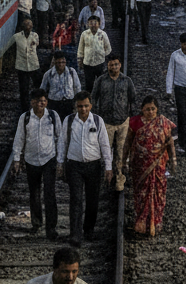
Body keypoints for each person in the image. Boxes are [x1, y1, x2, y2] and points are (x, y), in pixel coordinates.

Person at [57, 91, 113, 243]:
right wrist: (60, 163)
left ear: (91, 106)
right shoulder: (68, 121)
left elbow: (105, 145)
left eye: (86, 106)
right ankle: (75, 234)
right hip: (74, 165)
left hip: (93, 166)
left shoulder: (97, 121)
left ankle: (88, 230)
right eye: (80, 106)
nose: (83, 109)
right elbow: (62, 143)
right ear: (75, 106)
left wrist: (108, 167)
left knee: (92, 200)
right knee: (75, 199)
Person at [122, 96, 177, 237]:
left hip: (158, 166)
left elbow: (170, 142)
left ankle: (156, 223)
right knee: (141, 194)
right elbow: (128, 142)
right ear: (142, 109)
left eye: (153, 109)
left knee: (158, 193)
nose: (150, 112)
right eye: (147, 109)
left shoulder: (163, 123)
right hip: (140, 167)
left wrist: (173, 160)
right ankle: (141, 224)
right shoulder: (134, 122)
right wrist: (124, 161)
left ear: (157, 109)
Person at [11, 89, 61, 240]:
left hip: (49, 159)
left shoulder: (52, 116)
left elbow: (60, 137)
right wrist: (16, 159)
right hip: (31, 160)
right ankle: (36, 223)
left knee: (49, 194)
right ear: (32, 102)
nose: (42, 103)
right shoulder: (25, 118)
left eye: (44, 101)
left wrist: (60, 160)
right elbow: (19, 138)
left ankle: (51, 227)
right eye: (39, 101)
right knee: (34, 194)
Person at [91, 55, 138, 194]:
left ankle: (119, 181)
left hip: (123, 121)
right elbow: (94, 97)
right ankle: (105, 181)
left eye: (116, 65)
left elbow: (133, 98)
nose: (114, 67)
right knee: (104, 153)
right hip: (106, 122)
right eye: (111, 65)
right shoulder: (101, 81)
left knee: (121, 153)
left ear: (120, 65)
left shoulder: (127, 81)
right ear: (107, 66)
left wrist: (131, 119)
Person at [5, 17, 42, 112]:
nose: (28, 27)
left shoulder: (35, 35)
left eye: (29, 25)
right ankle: (25, 109)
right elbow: (9, 46)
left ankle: (39, 105)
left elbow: (36, 43)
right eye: (26, 25)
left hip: (33, 65)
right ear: (22, 27)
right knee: (24, 90)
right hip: (22, 67)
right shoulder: (16, 37)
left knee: (38, 86)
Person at [42, 53, 83, 123]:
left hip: (68, 103)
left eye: (63, 62)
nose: (61, 65)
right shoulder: (48, 74)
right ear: (55, 62)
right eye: (58, 63)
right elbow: (43, 90)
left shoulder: (71, 72)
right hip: (54, 103)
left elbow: (77, 87)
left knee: (68, 124)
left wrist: (78, 103)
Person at [76, 16, 112, 92]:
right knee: (89, 84)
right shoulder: (84, 34)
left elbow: (108, 48)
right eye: (91, 23)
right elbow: (80, 48)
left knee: (101, 83)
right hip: (88, 63)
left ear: (99, 24)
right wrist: (80, 59)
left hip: (100, 62)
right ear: (88, 24)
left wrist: (102, 54)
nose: (93, 24)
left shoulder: (103, 34)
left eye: (95, 22)